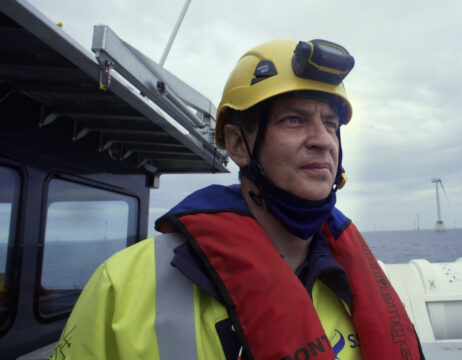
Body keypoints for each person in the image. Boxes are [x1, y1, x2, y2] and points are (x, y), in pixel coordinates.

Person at [50, 39, 423, 360]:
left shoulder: (355, 286)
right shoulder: (121, 286)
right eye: (294, 120)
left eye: (330, 124)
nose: (322, 139)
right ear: (236, 144)